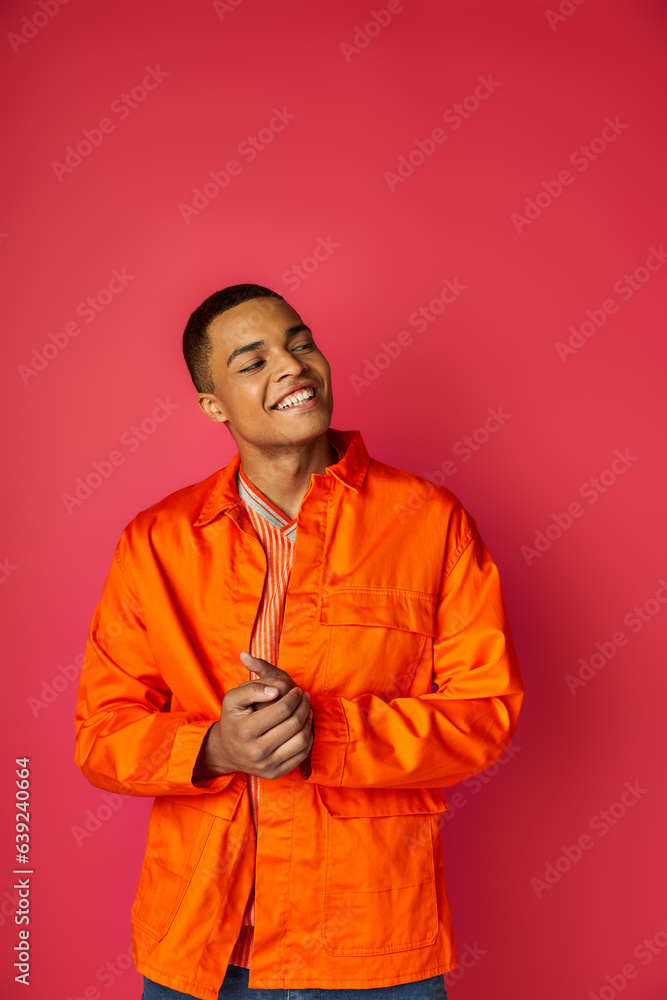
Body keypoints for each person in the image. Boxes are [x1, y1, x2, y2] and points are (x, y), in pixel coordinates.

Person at [73, 283, 524, 1000]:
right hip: (198, 947)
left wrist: (326, 733)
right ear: (213, 404)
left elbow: (483, 715)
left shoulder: (428, 521)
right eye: (251, 361)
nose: (290, 365)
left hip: (372, 946)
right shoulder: (156, 542)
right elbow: (101, 735)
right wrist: (215, 748)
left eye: (300, 342)